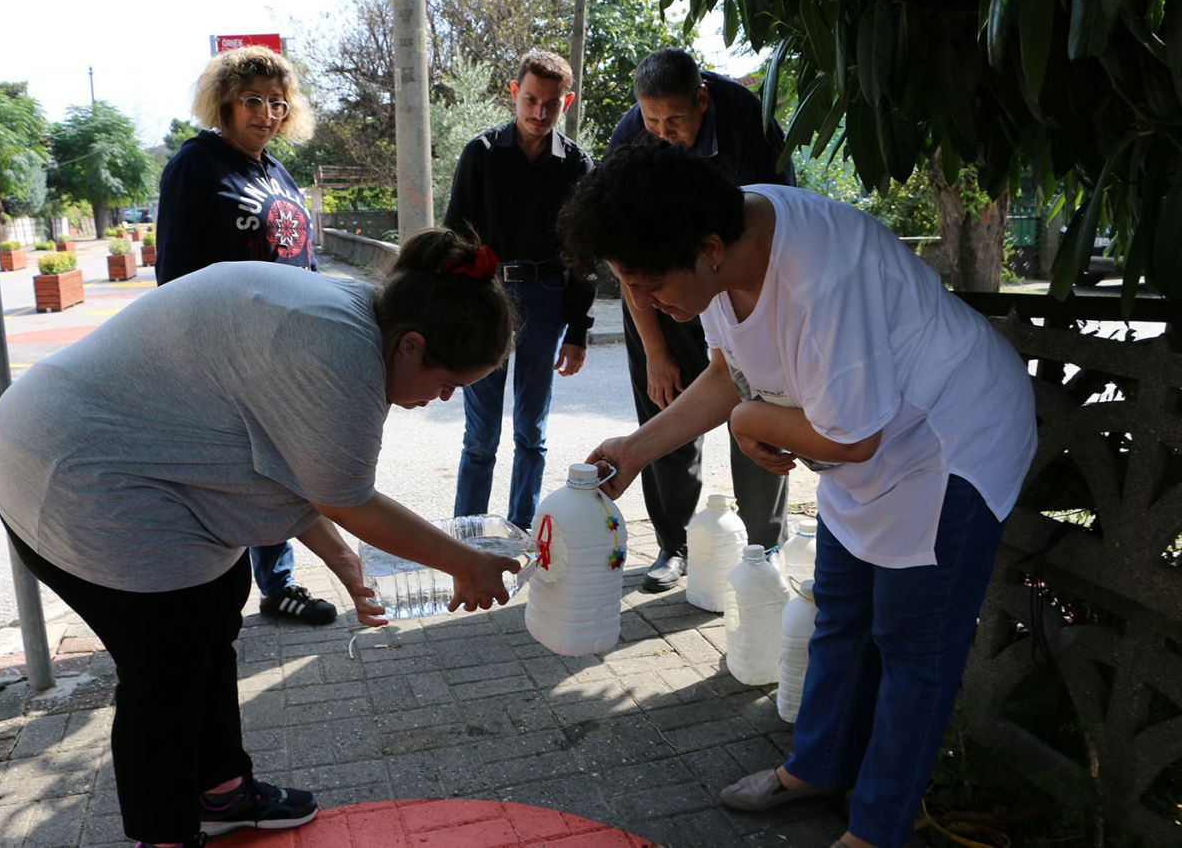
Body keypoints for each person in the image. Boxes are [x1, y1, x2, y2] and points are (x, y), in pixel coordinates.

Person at [558, 143, 1037, 848]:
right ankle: (816, 767)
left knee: (912, 647)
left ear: (709, 251)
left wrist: (754, 421)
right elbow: (731, 371)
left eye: (648, 284)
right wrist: (637, 447)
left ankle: (875, 828)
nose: (644, 303)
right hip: (869, 434)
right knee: (841, 611)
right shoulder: (722, 237)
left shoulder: (822, 276)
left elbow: (853, 438)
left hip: (949, 441)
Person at [0, 229, 522, 847]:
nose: (441, 399)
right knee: (166, 669)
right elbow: (347, 499)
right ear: (412, 345)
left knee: (213, 617)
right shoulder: (338, 356)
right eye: (448, 384)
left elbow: (298, 468)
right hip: (72, 474)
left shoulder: (353, 318)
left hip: (111, 459)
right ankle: (163, 836)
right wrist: (465, 564)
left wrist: (345, 561)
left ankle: (219, 793)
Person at [606, 48, 796, 592]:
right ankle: (675, 545)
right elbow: (626, 262)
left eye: (676, 121)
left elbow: (774, 229)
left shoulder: (749, 127)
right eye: (652, 122)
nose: (663, 133)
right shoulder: (630, 138)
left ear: (703, 100)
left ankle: (763, 549)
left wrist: (754, 330)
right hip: (658, 291)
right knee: (666, 406)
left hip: (737, 283)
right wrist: (657, 351)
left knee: (760, 408)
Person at [156, 44, 333, 625]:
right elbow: (174, 269)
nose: (266, 113)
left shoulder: (276, 170)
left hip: (285, 349)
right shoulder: (196, 165)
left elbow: (301, 257)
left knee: (279, 465)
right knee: (239, 470)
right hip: (225, 351)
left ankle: (276, 583)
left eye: (277, 103)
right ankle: (230, 586)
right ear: (225, 104)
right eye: (252, 100)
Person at [444, 49, 596, 531]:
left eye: (551, 104)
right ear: (514, 92)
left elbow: (582, 255)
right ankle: (467, 534)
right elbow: (454, 239)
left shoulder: (576, 165)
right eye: (530, 99)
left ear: (565, 102)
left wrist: (578, 330)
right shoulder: (481, 154)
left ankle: (522, 531)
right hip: (485, 300)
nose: (538, 113)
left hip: (546, 299)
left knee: (532, 431)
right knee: (481, 433)